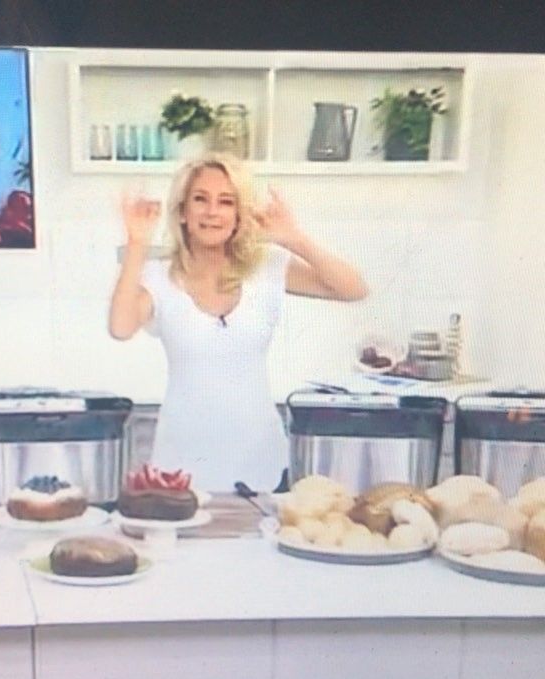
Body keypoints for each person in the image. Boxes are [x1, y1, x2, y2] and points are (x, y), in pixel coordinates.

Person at [109, 152, 368, 493]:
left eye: (226, 202)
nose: (212, 211)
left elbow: (353, 289)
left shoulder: (266, 268)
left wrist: (294, 239)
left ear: (238, 215)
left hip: (261, 464)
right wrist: (137, 245)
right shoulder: (158, 277)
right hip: (181, 468)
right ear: (183, 212)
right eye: (200, 199)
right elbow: (121, 327)